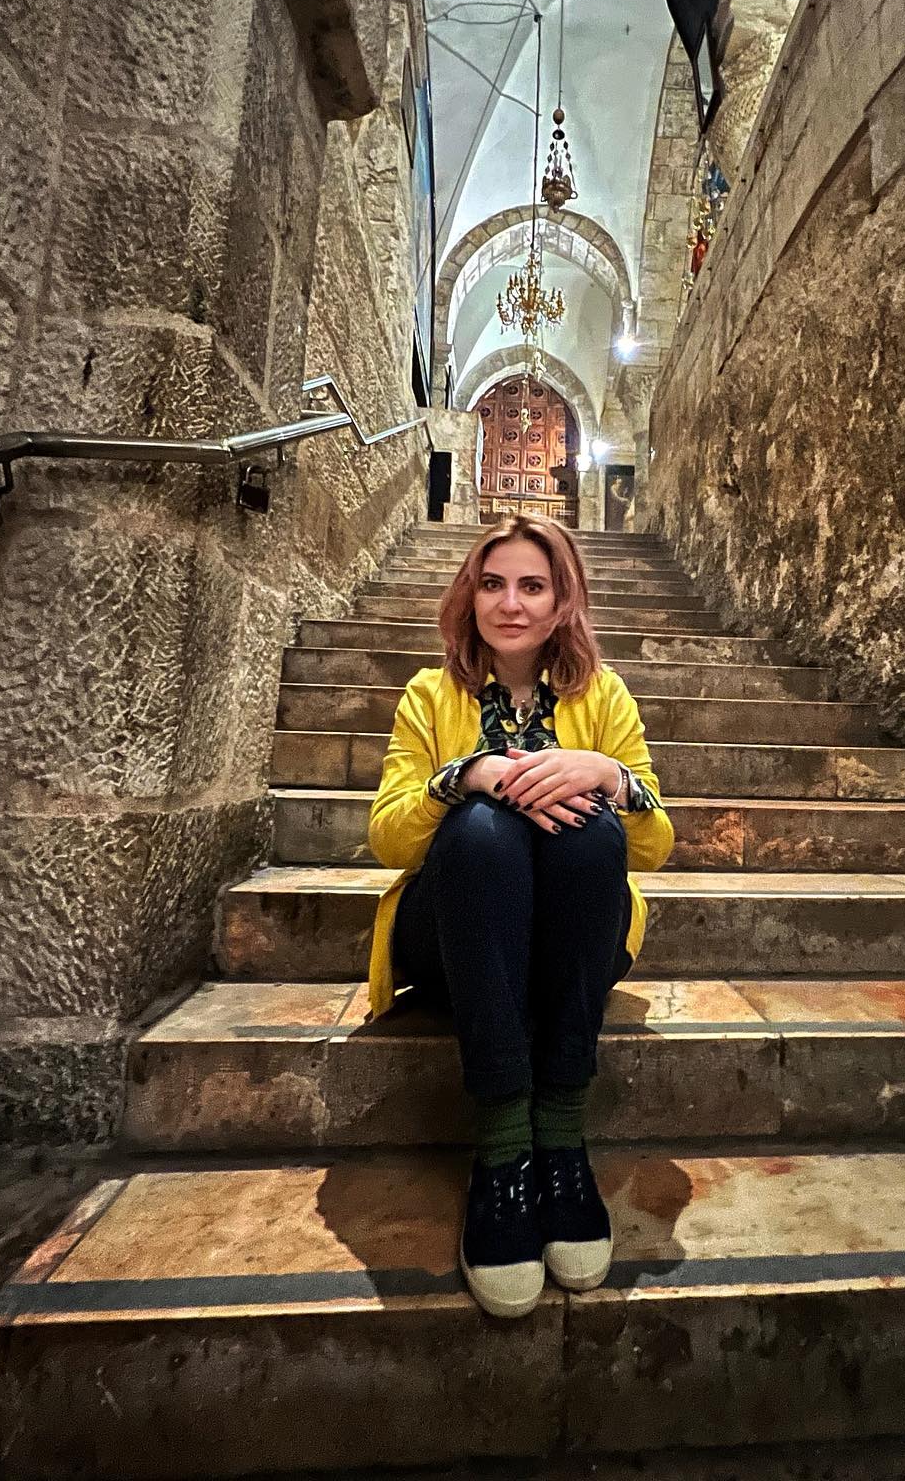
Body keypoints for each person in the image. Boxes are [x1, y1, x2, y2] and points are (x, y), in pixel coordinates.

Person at [367, 514, 674, 1318]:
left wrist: (608, 775)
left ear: (562, 600)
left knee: (592, 828)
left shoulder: (603, 696)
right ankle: (505, 1149)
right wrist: (464, 778)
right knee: (480, 830)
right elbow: (387, 836)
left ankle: (562, 1134)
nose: (510, 603)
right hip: (454, 939)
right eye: (492, 583)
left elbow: (655, 846)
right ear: (468, 597)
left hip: (571, 942)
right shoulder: (429, 695)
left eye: (532, 585)